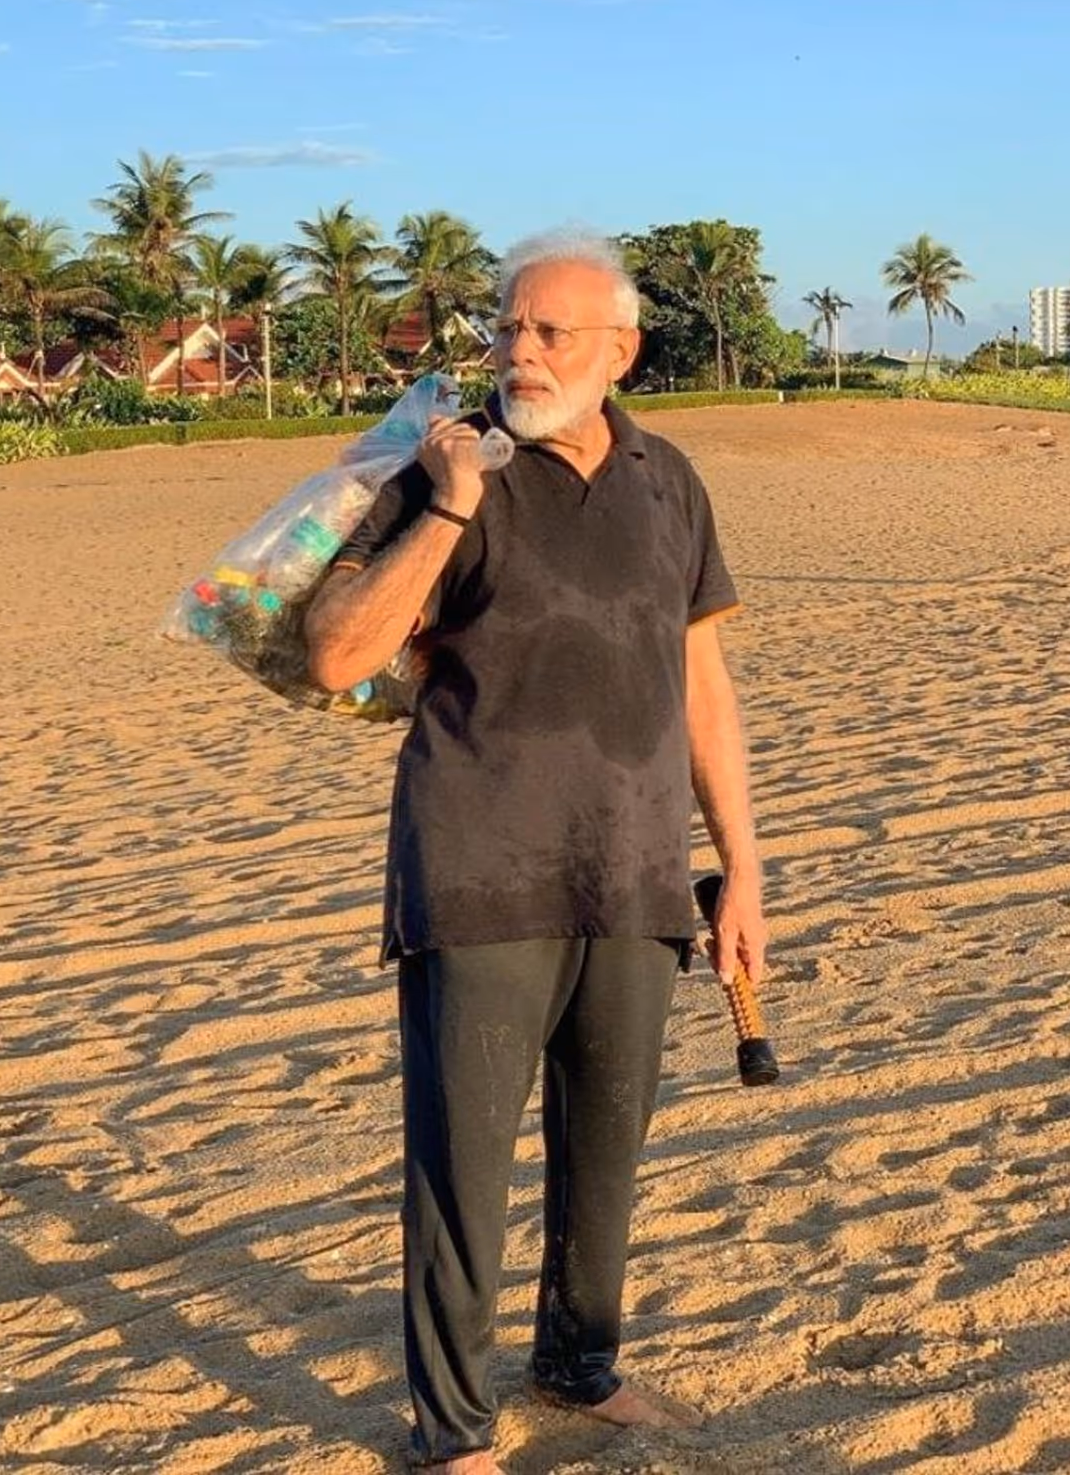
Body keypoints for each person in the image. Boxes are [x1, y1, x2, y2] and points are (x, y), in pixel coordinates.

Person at [305, 230, 767, 1474]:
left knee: (606, 1147)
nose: (520, 351)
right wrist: (450, 502)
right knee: (461, 1169)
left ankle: (577, 1364)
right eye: (507, 326)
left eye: (549, 331)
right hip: (477, 868)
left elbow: (702, 683)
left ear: (620, 350)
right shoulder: (446, 467)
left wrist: (740, 868)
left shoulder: (668, 480)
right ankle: (451, 1428)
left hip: (636, 868)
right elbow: (336, 654)